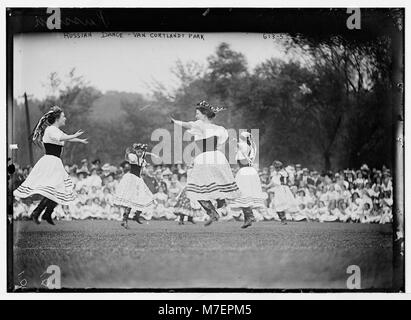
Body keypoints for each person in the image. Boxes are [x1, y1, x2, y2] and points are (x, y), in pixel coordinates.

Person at [14, 106, 88, 225]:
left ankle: (45, 213)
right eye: (63, 116)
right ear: (57, 119)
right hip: (50, 162)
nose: (65, 118)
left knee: (58, 189)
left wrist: (79, 140)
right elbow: (63, 137)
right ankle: (39, 213)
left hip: (55, 162)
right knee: (54, 189)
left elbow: (64, 137)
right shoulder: (50, 130)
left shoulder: (56, 130)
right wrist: (74, 136)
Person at [171, 100, 240, 226]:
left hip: (205, 159)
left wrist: (176, 122)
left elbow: (188, 124)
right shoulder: (219, 129)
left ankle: (214, 211)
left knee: (194, 189)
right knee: (209, 185)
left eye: (197, 113)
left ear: (204, 114)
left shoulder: (200, 125)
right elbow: (219, 145)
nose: (196, 115)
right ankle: (220, 202)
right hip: (216, 157)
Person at [228, 132, 267, 228]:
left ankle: (249, 217)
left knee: (243, 194)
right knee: (245, 195)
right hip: (249, 172)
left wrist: (232, 139)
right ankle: (247, 218)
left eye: (241, 137)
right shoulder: (249, 147)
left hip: (245, 172)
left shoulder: (244, 146)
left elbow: (236, 144)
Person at [113, 143, 154, 229]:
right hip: (132, 179)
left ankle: (136, 215)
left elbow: (143, 170)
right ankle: (125, 219)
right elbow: (127, 158)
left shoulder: (142, 160)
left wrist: (150, 175)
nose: (140, 153)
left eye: (141, 151)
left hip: (138, 180)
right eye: (138, 151)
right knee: (130, 200)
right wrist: (127, 153)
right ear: (135, 151)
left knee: (144, 197)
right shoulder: (134, 157)